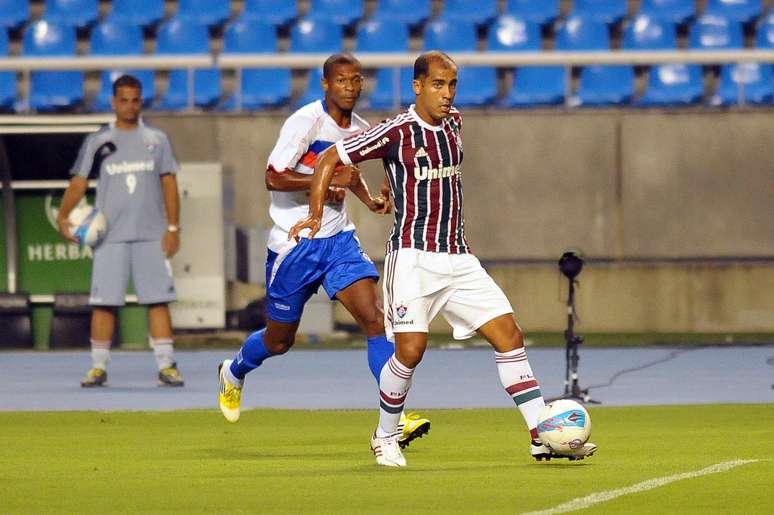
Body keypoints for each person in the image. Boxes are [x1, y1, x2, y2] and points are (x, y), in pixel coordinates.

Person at [289, 51, 598, 467]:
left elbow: (412, 171)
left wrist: (388, 186)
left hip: (459, 256)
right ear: (418, 86)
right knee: (411, 351)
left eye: (452, 85)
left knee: (510, 337)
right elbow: (331, 158)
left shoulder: (454, 123)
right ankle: (384, 436)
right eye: (438, 84)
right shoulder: (396, 129)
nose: (446, 94)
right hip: (413, 259)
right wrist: (313, 212)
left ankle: (540, 436)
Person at [217, 53, 431, 448]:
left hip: (339, 242)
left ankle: (396, 416)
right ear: (326, 84)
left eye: (356, 80)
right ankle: (233, 371)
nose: (350, 87)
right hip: (294, 244)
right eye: (342, 81)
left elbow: (349, 177)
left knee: (376, 322)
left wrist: (370, 200)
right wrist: (326, 176)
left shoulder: (362, 128)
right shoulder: (305, 122)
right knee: (280, 340)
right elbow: (274, 176)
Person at [57, 74, 184, 388]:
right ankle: (98, 367)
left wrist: (172, 227)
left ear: (141, 102)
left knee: (158, 300)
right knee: (104, 302)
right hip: (109, 235)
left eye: (135, 99)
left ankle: (167, 365)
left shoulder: (157, 140)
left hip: (151, 233)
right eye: (123, 100)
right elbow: (78, 182)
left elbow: (169, 183)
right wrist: (63, 217)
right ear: (113, 102)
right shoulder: (98, 141)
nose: (130, 105)